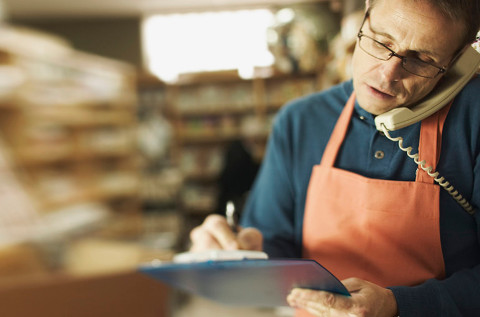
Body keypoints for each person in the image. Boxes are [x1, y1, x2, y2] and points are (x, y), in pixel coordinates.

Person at [189, 0, 480, 316]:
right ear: (364, 16)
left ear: (459, 61)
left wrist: (399, 306)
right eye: (380, 42)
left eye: (422, 60)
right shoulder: (301, 121)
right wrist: (235, 253)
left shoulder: (473, 119)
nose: (387, 74)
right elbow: (271, 243)